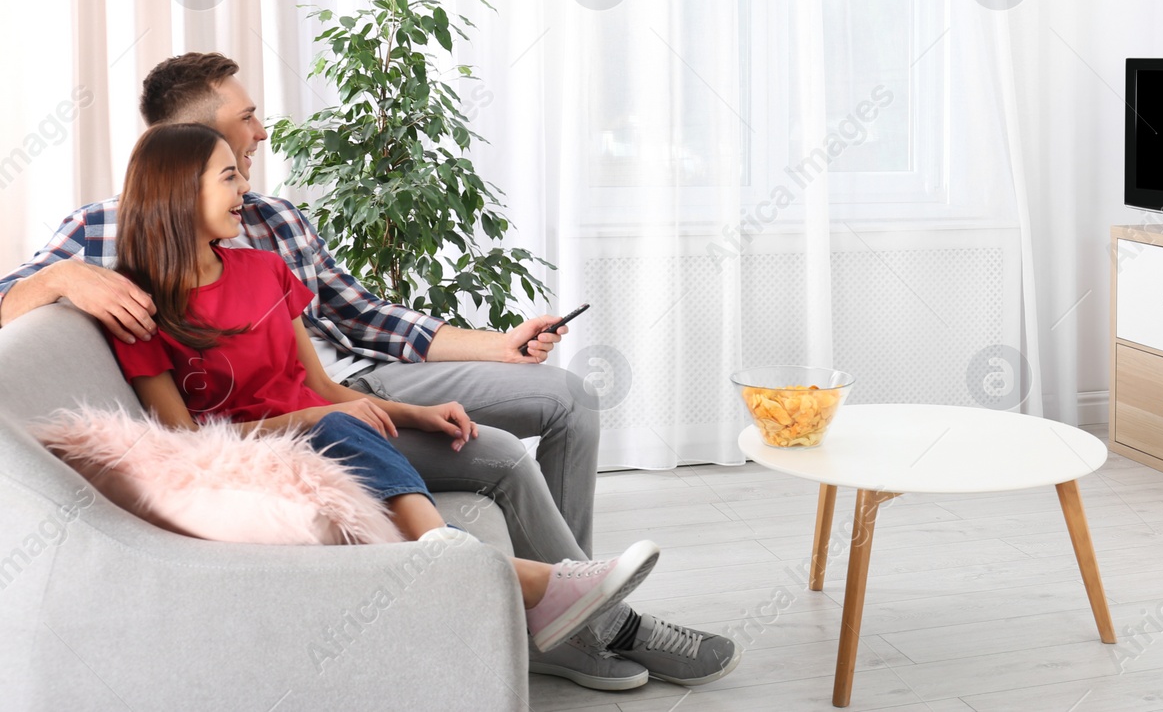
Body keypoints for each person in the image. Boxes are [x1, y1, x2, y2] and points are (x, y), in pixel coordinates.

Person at [0, 53, 739, 691]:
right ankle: (594, 622)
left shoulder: (273, 231)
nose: (262, 132)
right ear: (186, 145)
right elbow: (25, 305)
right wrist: (63, 278)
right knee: (497, 453)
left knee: (560, 401)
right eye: (246, 120)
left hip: (342, 385)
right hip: (289, 423)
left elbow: (365, 318)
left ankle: (574, 613)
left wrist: (494, 346)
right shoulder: (110, 229)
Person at [106, 122, 661, 655]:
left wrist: (416, 414)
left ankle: (524, 587)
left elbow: (319, 384)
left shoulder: (266, 271)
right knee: (337, 421)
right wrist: (304, 422)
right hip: (257, 452)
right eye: (228, 176)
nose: (245, 188)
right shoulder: (141, 307)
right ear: (179, 189)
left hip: (330, 431)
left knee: (460, 441)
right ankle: (488, 565)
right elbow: (182, 438)